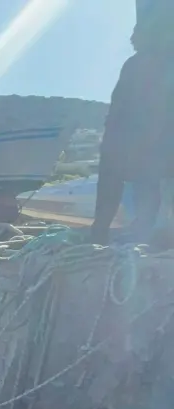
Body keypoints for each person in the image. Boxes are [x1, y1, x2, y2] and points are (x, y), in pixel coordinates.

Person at [92, 18, 174, 245]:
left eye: (136, 34)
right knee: (142, 183)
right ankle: (129, 233)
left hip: (138, 140)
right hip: (136, 139)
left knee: (138, 181)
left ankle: (111, 234)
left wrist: (141, 142)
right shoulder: (138, 63)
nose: (132, 39)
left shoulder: (143, 63)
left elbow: (137, 106)